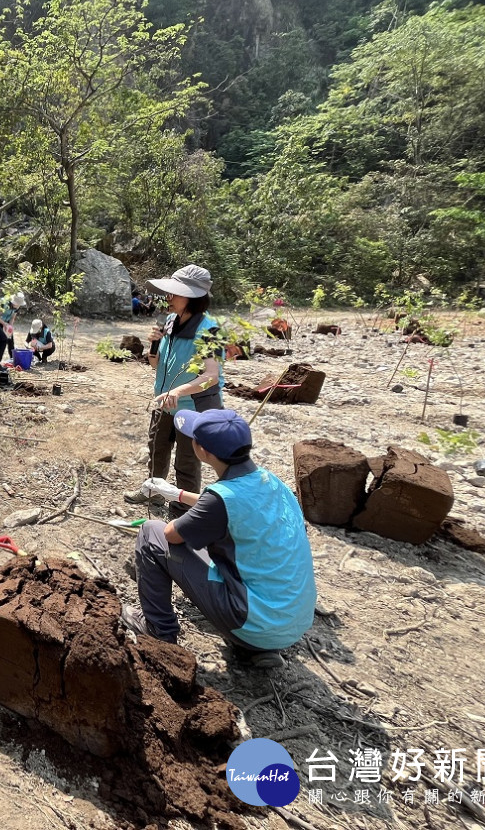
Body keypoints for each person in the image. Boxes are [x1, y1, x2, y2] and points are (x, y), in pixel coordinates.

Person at [123, 409, 316, 669]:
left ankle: (159, 631)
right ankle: (256, 648)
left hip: (253, 622)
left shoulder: (221, 500)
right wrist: (177, 494)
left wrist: (177, 512)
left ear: (202, 451)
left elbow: (173, 534)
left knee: (151, 532)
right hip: (293, 622)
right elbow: (220, 505)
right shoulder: (272, 482)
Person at [126, 265, 224, 515]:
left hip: (191, 409)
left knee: (186, 463)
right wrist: (154, 344)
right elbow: (155, 364)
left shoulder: (209, 331)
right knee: (157, 451)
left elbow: (211, 377)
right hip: (163, 402)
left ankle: (184, 511)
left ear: (192, 297)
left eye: (174, 293)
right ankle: (154, 493)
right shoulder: (171, 320)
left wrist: (179, 392)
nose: (167, 298)